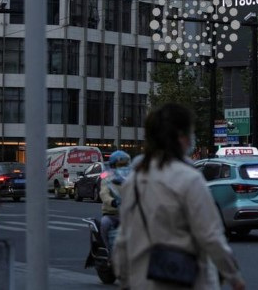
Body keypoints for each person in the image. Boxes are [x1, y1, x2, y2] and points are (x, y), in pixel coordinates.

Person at [113, 103, 246, 290]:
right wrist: (234, 276)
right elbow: (211, 237)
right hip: (185, 280)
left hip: (141, 281)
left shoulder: (134, 180)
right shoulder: (189, 179)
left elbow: (122, 240)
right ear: (181, 137)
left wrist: (125, 279)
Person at [100, 150, 131, 253]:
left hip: (129, 213)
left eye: (125, 164)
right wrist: (112, 201)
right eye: (120, 165)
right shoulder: (106, 177)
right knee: (104, 224)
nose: (123, 167)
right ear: (113, 165)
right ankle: (109, 251)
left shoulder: (132, 177)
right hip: (112, 213)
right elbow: (103, 193)